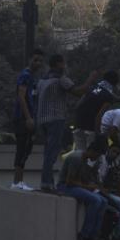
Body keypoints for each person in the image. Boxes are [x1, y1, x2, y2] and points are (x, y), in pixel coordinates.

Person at [33, 55, 99, 192]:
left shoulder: (42, 80)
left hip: (42, 120)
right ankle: (47, 184)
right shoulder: (60, 79)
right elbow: (78, 92)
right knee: (51, 153)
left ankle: (47, 182)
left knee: (48, 152)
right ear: (58, 64)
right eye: (64, 63)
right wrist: (91, 79)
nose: (65, 66)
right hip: (55, 119)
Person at [56, 135, 112, 240]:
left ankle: (95, 234)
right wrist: (87, 187)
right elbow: (69, 181)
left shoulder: (86, 160)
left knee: (104, 201)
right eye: (96, 155)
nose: (95, 158)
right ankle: (85, 234)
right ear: (91, 151)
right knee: (95, 200)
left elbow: (86, 179)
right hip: (65, 187)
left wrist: (94, 184)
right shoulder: (76, 158)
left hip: (77, 186)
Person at [12, 50, 46, 190]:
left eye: (40, 60)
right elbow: (21, 96)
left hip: (30, 117)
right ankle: (16, 181)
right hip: (23, 118)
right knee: (22, 148)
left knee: (26, 149)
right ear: (30, 59)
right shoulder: (25, 76)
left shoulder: (33, 77)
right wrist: (28, 118)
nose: (38, 63)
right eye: (35, 60)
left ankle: (20, 180)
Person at [73, 70, 120, 151]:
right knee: (91, 155)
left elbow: (78, 105)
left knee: (79, 154)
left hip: (79, 124)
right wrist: (98, 132)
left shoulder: (92, 88)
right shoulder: (108, 96)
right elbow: (100, 115)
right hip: (91, 128)